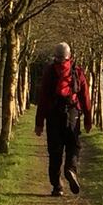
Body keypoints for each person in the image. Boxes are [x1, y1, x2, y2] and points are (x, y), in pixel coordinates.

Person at [35, 42, 92, 196]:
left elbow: (43, 99)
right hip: (72, 114)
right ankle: (70, 169)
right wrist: (88, 119)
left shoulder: (49, 72)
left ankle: (57, 187)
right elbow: (85, 96)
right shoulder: (77, 71)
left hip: (53, 115)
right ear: (69, 56)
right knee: (74, 145)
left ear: (55, 55)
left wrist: (39, 123)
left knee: (55, 151)